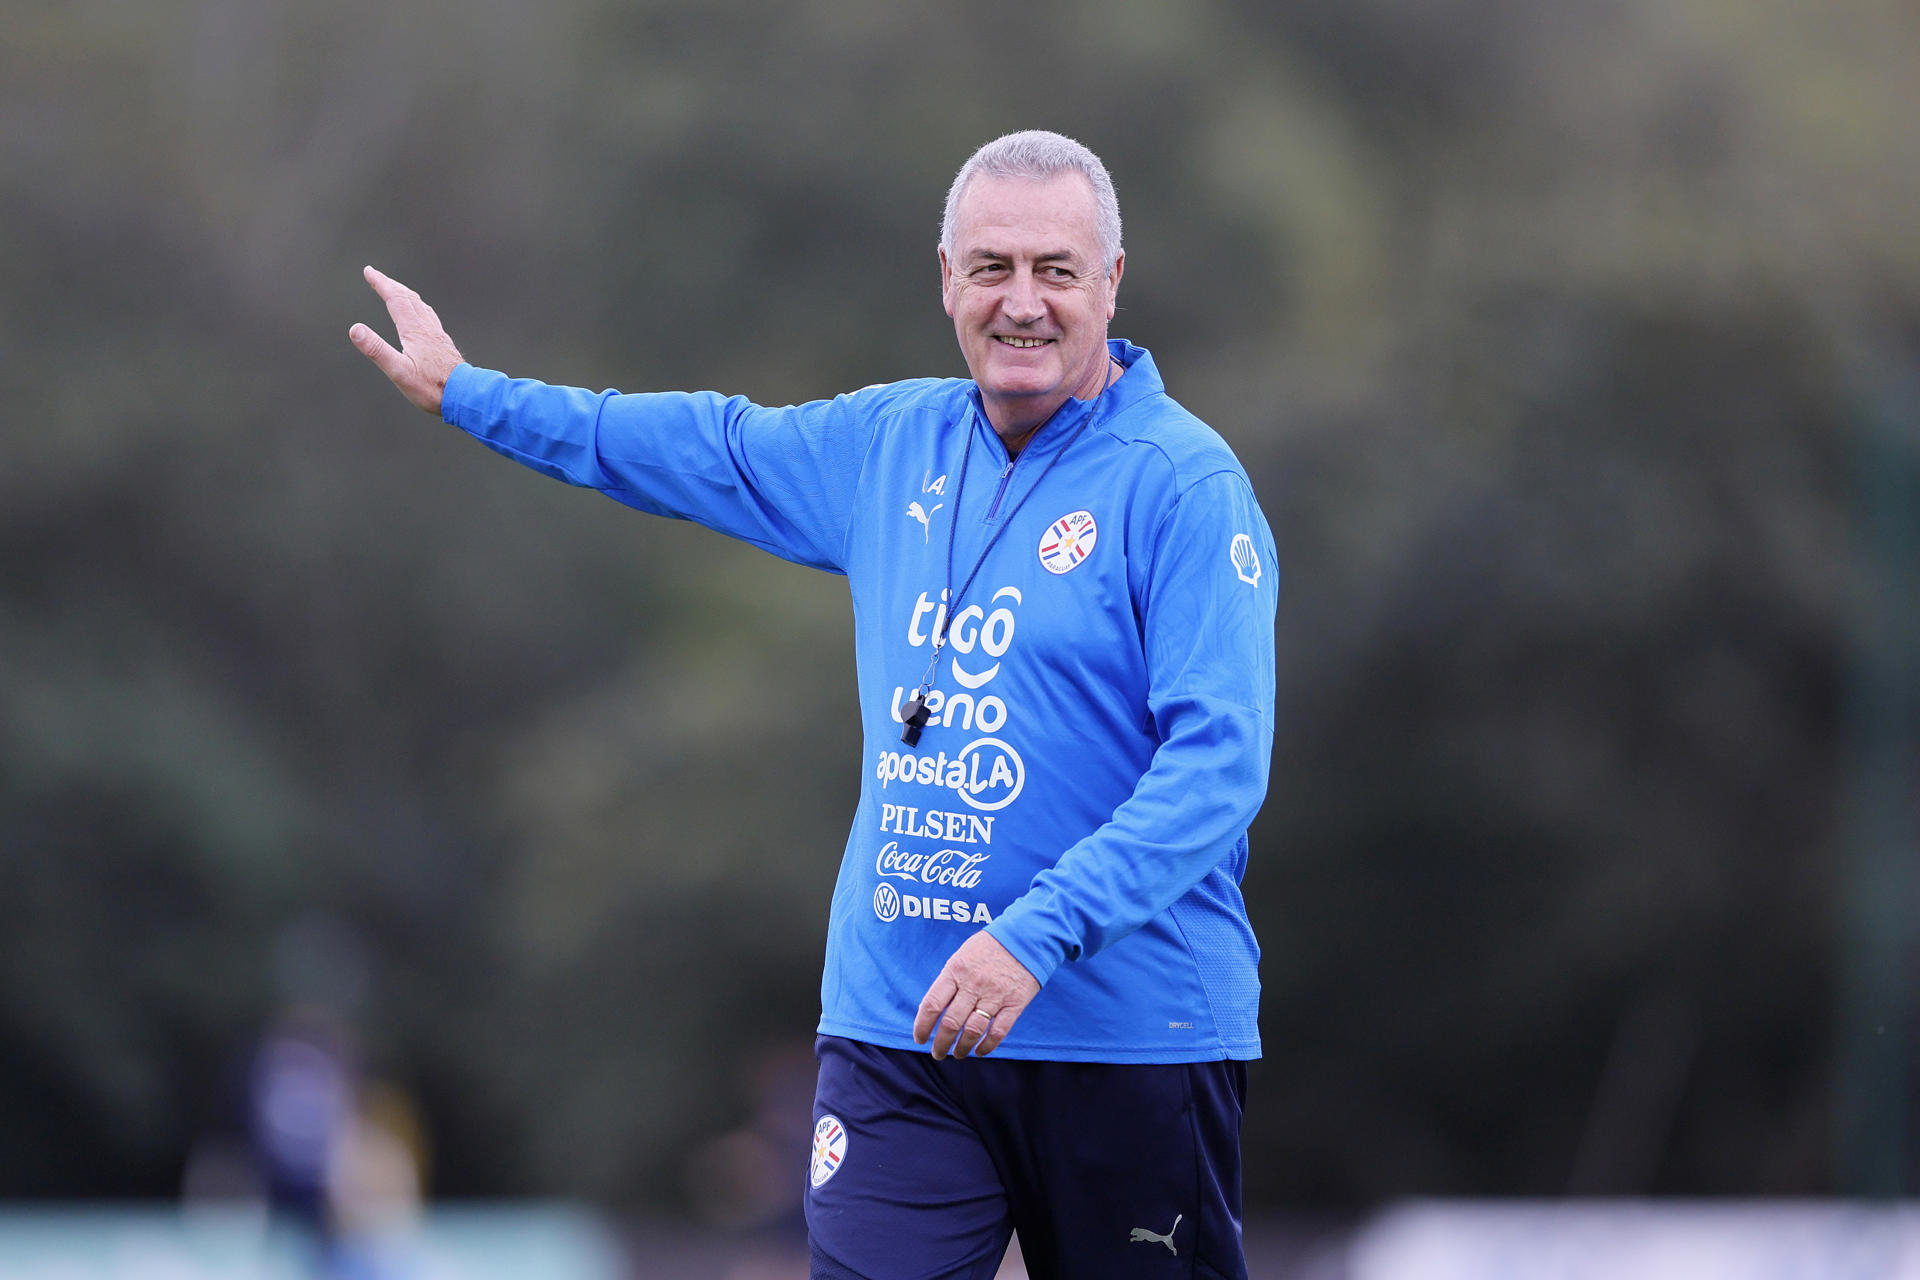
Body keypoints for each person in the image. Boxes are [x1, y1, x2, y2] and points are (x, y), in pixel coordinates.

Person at [352, 129, 1276, 1280]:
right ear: (946, 279)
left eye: (1056, 270)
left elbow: (1219, 769)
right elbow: (697, 445)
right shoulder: (890, 444)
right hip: (901, 1029)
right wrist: (470, 395)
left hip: (1127, 1036)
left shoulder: (1186, 487)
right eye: (991, 267)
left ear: (1112, 284)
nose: (1022, 303)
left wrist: (1034, 937)